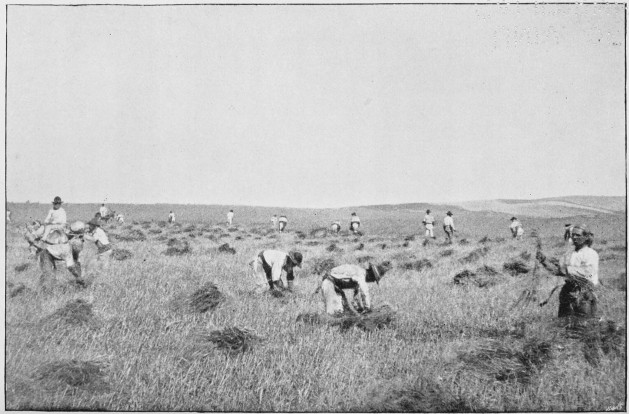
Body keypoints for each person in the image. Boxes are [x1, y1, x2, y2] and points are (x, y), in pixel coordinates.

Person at [537, 225, 599, 318]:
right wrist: (543, 261)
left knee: (583, 326)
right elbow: (557, 271)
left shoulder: (591, 253)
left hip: (584, 294)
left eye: (577, 235)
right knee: (564, 324)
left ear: (586, 237)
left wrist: (567, 269)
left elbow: (589, 272)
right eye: (572, 235)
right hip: (568, 293)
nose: (574, 237)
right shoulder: (569, 253)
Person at [25, 221, 85, 288]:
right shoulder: (68, 250)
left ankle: (42, 287)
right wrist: (78, 277)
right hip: (46, 254)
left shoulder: (68, 243)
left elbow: (73, 265)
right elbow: (70, 267)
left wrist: (78, 277)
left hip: (49, 251)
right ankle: (43, 289)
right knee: (49, 274)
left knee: (50, 274)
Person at [320, 261, 392, 315]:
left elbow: (356, 297)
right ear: (371, 275)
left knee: (344, 310)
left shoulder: (358, 277)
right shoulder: (360, 274)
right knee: (334, 312)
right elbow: (364, 291)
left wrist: (359, 309)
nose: (372, 281)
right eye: (374, 279)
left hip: (336, 286)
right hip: (329, 283)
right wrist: (367, 308)